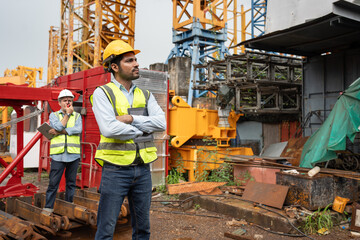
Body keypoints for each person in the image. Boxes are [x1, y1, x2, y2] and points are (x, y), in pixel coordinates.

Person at [92, 40, 166, 240]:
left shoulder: (145, 94)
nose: (136, 64)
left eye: (136, 60)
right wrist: (143, 129)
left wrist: (131, 119)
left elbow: (161, 123)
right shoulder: (102, 93)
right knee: (106, 230)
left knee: (143, 229)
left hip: (143, 169)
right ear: (115, 67)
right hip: (115, 170)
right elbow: (109, 128)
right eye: (129, 60)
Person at [43, 89, 82, 213]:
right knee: (53, 183)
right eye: (65, 100)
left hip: (73, 155)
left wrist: (60, 131)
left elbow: (78, 129)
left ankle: (68, 206)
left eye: (70, 100)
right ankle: (48, 208)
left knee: (71, 183)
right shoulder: (53, 115)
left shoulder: (77, 116)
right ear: (60, 103)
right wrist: (67, 115)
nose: (68, 103)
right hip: (58, 156)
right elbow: (58, 126)